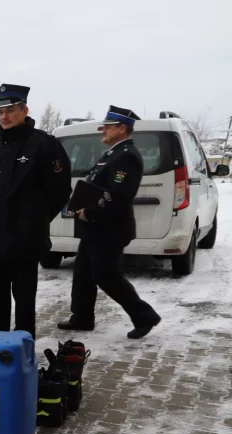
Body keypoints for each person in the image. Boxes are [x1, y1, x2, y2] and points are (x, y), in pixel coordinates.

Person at [0, 83, 72, 340]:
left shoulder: (44, 145)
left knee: (24, 303)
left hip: (26, 242)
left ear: (24, 110)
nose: (4, 117)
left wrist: (34, 220)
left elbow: (60, 191)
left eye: (10, 110)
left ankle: (22, 350)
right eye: (0, 112)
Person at [58, 106, 161, 339]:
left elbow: (118, 196)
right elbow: (99, 187)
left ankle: (145, 316)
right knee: (83, 273)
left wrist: (91, 212)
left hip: (109, 229)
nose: (102, 129)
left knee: (107, 276)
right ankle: (82, 317)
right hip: (95, 229)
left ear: (122, 128)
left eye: (108, 126)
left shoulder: (126, 156)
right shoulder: (113, 153)